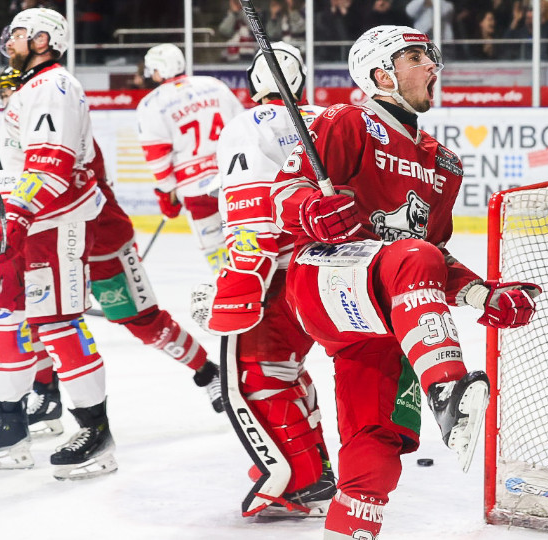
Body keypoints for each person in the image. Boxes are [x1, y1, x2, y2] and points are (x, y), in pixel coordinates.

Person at [268, 25, 542, 538]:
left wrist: (484, 293)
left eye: (430, 56)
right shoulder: (348, 120)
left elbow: (433, 258)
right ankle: (446, 389)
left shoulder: (444, 162)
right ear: (381, 76)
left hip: (385, 305)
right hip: (325, 277)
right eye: (415, 57)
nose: (432, 65)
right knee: (411, 255)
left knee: (378, 437)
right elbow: (285, 193)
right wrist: (311, 210)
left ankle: (350, 526)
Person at [0, 67, 224, 441]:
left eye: (13, 91)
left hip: (100, 238)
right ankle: (46, 393)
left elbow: (57, 182)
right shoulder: (18, 134)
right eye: (5, 93)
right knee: (40, 318)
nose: (9, 100)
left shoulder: (59, 128)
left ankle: (208, 372)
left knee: (141, 320)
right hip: (49, 241)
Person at [0, 7, 117, 480]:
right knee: (1, 314)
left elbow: (50, 163)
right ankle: (11, 424)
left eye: (19, 33)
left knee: (57, 323)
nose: (9, 41)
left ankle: (95, 433)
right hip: (22, 220)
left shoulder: (55, 86)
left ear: (44, 39)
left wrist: (20, 215)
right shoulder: (32, 88)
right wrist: (10, 220)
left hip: (54, 222)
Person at [191, 41, 338, 518]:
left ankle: (298, 481)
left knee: (259, 372)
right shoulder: (331, 119)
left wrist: (234, 288)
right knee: (289, 368)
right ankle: (318, 469)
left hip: (279, 275)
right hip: (332, 272)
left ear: (255, 83)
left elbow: (252, 217)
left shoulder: (248, 123)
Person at [136, 43, 243, 275]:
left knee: (218, 254)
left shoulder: (152, 103)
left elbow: (157, 156)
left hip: (196, 190)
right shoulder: (214, 85)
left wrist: (166, 192)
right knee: (248, 244)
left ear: (158, 70)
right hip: (235, 179)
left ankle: (231, 290)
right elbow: (242, 126)